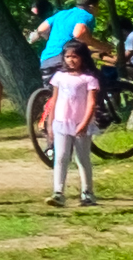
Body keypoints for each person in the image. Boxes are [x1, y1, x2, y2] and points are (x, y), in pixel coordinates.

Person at [42, 36, 108, 210]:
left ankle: (87, 192)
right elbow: (54, 100)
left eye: (75, 56)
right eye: (67, 56)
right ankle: (58, 192)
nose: (71, 60)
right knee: (61, 157)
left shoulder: (89, 79)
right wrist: (50, 123)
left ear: (83, 58)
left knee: (82, 158)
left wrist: (85, 123)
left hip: (81, 123)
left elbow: (91, 103)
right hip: (61, 122)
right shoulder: (59, 76)